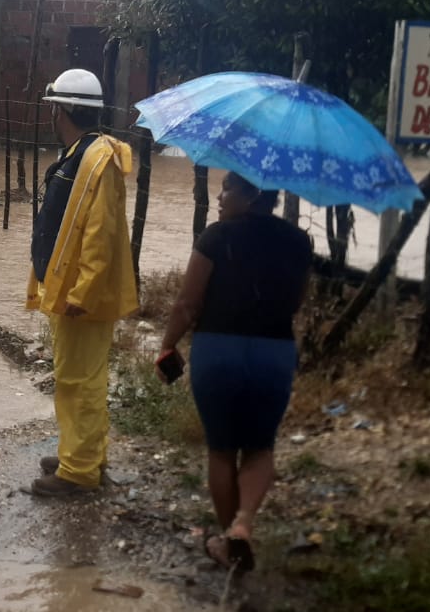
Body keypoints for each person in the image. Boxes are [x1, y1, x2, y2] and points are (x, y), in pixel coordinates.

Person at [157, 172, 313, 571]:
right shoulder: (298, 241)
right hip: (274, 353)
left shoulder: (216, 236)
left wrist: (168, 345)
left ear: (253, 193)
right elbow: (296, 302)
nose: (220, 196)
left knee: (222, 450)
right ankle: (243, 523)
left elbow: (187, 305)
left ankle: (229, 541)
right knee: (260, 447)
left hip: (218, 351)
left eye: (228, 189)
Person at [26, 68, 139, 498]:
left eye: (54, 107)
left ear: (63, 110)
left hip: (81, 297)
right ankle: (81, 454)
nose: (51, 115)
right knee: (74, 378)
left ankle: (79, 472)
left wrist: (83, 293)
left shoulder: (97, 160)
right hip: (68, 290)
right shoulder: (79, 154)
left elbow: (100, 233)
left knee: (82, 382)